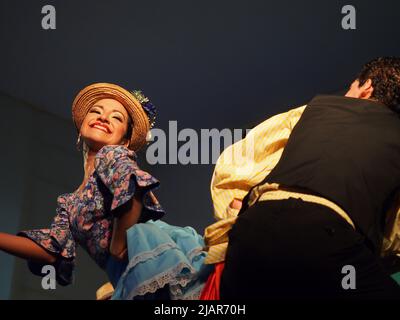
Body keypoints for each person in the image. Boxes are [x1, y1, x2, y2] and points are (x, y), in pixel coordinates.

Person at [202, 57, 400, 299]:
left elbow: (236, 163)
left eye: (351, 87)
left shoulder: (310, 111)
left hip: (251, 234)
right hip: (328, 240)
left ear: (366, 88)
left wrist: (236, 211)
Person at [0, 83, 211, 300]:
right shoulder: (69, 203)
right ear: (82, 127)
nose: (103, 118)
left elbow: (132, 184)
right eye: (96, 111)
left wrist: (117, 244)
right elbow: (52, 249)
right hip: (125, 272)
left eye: (117, 117)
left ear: (125, 141)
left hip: (150, 255)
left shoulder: (111, 155)